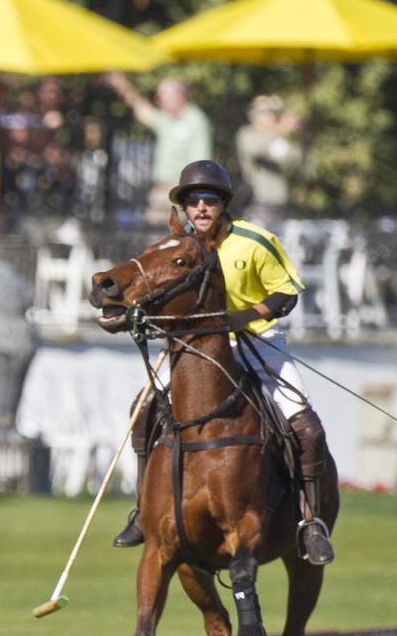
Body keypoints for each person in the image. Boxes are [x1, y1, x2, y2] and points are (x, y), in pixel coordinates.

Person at [111, 160, 334, 566]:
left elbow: (288, 294)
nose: (199, 208)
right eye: (191, 201)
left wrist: (241, 317)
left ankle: (310, 521)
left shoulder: (254, 241)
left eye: (208, 200)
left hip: (257, 339)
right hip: (197, 350)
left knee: (305, 424)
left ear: (223, 204)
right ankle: (144, 513)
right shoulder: (176, 249)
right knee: (142, 411)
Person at [104, 73, 211, 223]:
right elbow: (142, 111)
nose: (159, 100)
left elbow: (200, 162)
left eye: (163, 95)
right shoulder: (167, 119)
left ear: (180, 95)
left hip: (181, 189)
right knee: (155, 240)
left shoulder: (195, 120)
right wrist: (123, 86)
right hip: (161, 190)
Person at [235, 94, 302, 229]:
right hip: (257, 203)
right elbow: (257, 150)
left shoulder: (277, 138)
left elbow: (296, 159)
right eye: (269, 114)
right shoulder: (247, 134)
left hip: (279, 204)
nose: (274, 119)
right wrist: (282, 129)